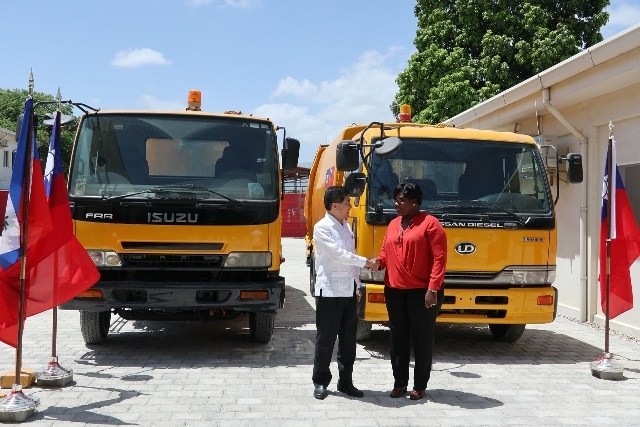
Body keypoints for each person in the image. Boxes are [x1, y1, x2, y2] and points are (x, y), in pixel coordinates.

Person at [375, 182, 447, 401]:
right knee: (398, 338)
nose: (396, 204)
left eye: (401, 201)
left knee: (422, 338)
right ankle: (399, 383)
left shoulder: (430, 224)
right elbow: (386, 250)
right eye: (395, 200)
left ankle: (420, 385)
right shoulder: (393, 223)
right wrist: (378, 261)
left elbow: (439, 258)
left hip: (422, 292)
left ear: (415, 202)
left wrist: (433, 288)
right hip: (395, 290)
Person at [312, 186, 377, 400]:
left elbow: (352, 259)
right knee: (325, 339)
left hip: (349, 291)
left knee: (349, 341)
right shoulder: (322, 228)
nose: (350, 206)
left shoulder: (346, 227)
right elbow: (339, 255)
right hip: (329, 291)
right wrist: (365, 262)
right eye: (347, 202)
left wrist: (357, 285)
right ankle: (321, 381)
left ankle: (346, 381)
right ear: (335, 206)